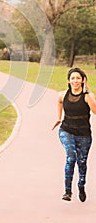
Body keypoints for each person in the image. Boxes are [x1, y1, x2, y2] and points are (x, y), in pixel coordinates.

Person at [52, 67, 96, 202]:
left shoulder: (88, 96)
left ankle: (81, 185)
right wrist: (59, 118)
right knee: (71, 157)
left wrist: (88, 92)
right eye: (73, 78)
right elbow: (59, 102)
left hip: (84, 134)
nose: (75, 81)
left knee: (82, 162)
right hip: (66, 130)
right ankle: (67, 191)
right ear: (69, 80)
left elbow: (95, 111)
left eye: (78, 78)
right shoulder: (62, 94)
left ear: (83, 80)